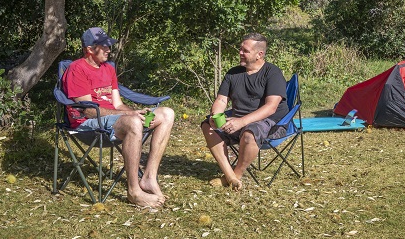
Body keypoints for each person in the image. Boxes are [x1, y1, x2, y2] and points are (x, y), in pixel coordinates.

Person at [63, 27, 174, 208]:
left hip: (114, 120)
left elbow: (118, 104)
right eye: (104, 46)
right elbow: (88, 111)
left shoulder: (108, 69)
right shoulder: (77, 69)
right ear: (90, 49)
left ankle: (148, 178)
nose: (109, 49)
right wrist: (131, 115)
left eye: (109, 45)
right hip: (87, 126)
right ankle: (134, 191)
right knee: (132, 121)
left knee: (167, 113)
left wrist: (137, 111)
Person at [200, 33, 288, 190]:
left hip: (272, 122)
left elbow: (271, 107)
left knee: (250, 132)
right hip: (238, 118)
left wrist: (241, 122)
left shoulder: (273, 73)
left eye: (245, 50)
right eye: (240, 49)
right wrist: (215, 115)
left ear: (259, 54)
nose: (240, 52)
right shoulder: (233, 73)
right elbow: (221, 100)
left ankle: (237, 175)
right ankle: (229, 176)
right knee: (208, 125)